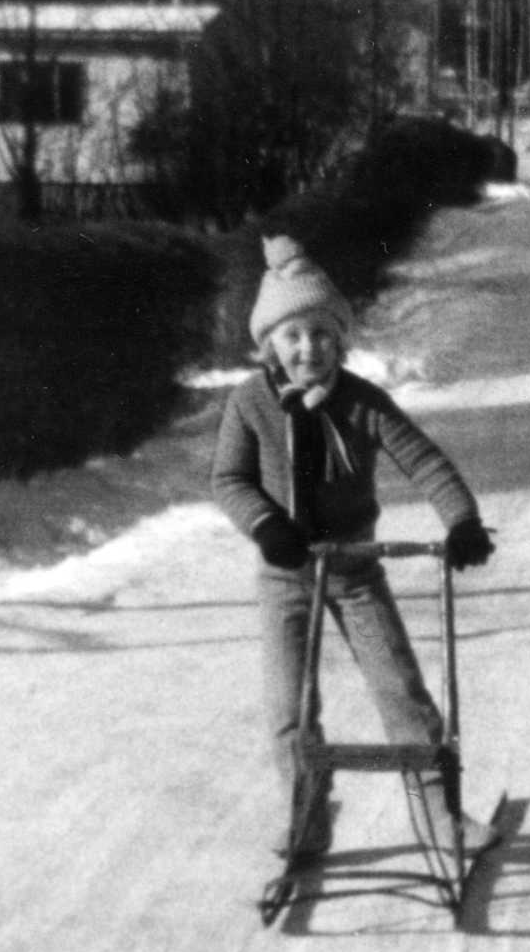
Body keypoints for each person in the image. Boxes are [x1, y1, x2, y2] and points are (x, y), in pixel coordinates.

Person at [212, 233, 496, 863]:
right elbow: (228, 479)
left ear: (340, 339)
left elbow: (423, 460)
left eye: (321, 334)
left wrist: (463, 522)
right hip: (285, 575)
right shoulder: (251, 402)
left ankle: (439, 814)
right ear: (271, 346)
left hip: (355, 571)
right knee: (289, 709)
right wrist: (265, 524)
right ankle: (307, 817)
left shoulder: (362, 402)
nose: (307, 348)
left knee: (400, 691)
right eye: (293, 337)